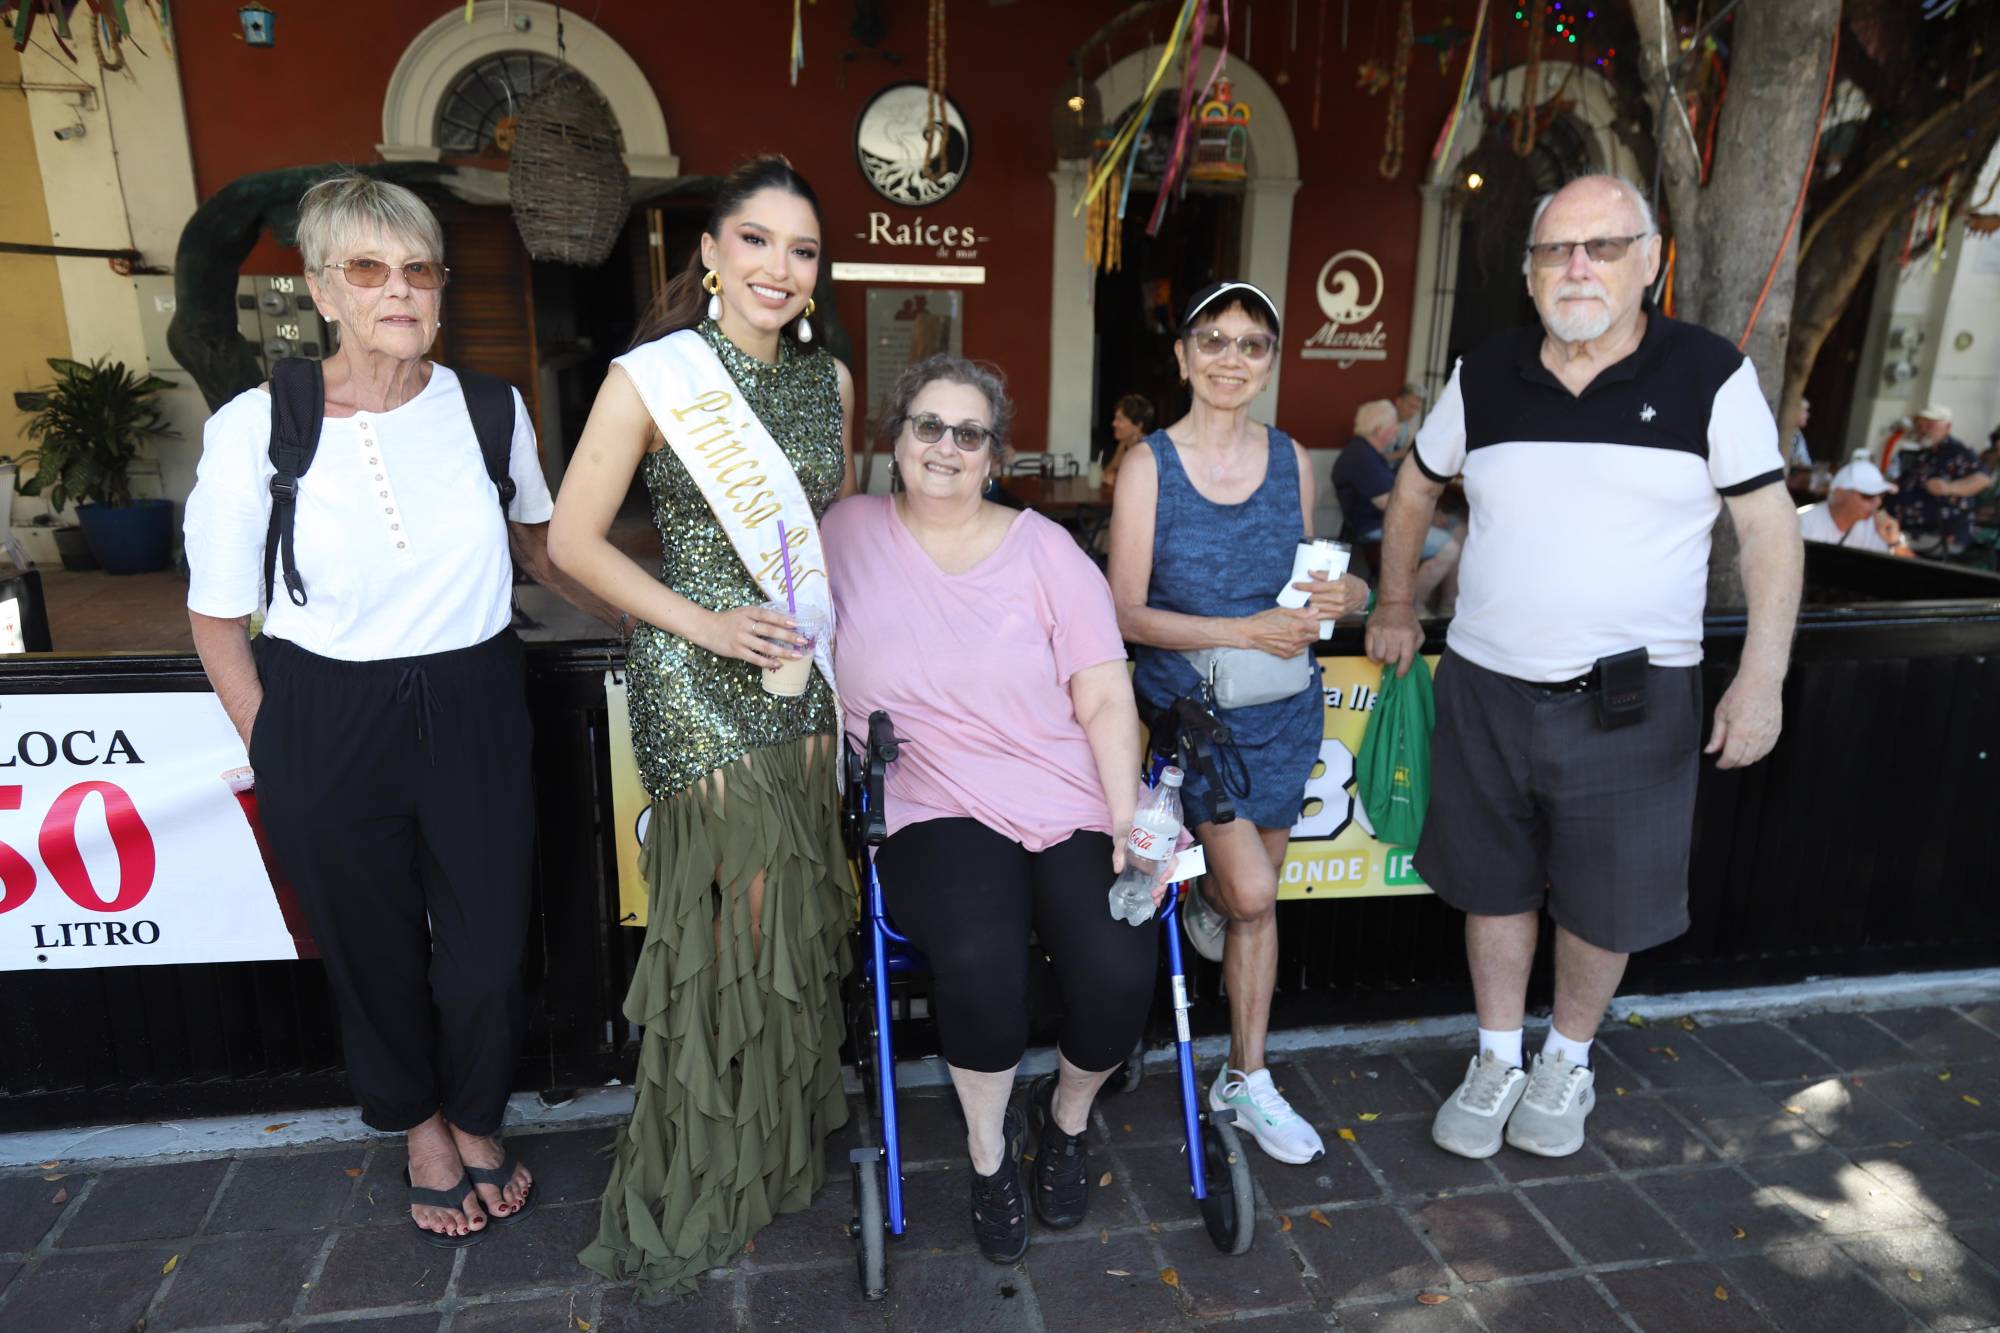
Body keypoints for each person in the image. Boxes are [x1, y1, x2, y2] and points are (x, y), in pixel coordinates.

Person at [184, 174, 611, 1246]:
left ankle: (476, 1108)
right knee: (369, 946)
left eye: (419, 269)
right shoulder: (256, 425)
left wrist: (676, 626)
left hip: (471, 696)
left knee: (483, 949)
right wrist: (271, 741)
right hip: (326, 709)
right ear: (323, 290)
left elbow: (542, 549)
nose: (399, 289)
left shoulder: (487, 407)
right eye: (369, 269)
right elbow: (219, 618)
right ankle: (420, 1125)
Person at [1366, 175, 1802, 1162]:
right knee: (1491, 885)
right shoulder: (1484, 370)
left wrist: (1761, 675)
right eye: (1554, 250)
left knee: (1605, 900)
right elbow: (1414, 483)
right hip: (1480, 684)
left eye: (1600, 247)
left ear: (1649, 261)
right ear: (1526, 275)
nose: (1575, 268)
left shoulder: (1708, 373)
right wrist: (1395, 598)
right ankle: (1493, 1054)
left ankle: (1563, 1057)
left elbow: (1767, 527)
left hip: (1630, 697)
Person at [548, 156, 857, 1297]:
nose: (780, 266)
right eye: (758, 242)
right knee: (727, 929)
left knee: (789, 922)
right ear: (713, 257)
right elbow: (571, 545)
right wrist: (705, 626)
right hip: (694, 670)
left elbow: (823, 538)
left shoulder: (826, 383)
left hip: (798, 679)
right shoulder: (652, 378)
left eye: (802, 248)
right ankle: (703, 1168)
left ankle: (767, 1152)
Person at [824, 355, 1162, 1264]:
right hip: (930, 797)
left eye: (967, 434)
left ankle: (1064, 1118)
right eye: (927, 426)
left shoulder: (1046, 550)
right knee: (978, 962)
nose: (945, 447)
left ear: (993, 454)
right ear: (895, 440)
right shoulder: (841, 532)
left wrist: (1129, 816)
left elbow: (1101, 696)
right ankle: (986, 1155)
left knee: (1118, 968)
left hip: (1063, 791)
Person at [1106, 280, 1369, 1166]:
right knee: (1253, 896)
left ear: (1268, 363)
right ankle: (1208, 902)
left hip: (1288, 709)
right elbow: (1127, 613)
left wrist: (1353, 593)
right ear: (1182, 357)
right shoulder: (1149, 466)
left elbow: (1314, 590)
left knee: (1251, 904)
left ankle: (1245, 1076)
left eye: (1252, 344)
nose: (1231, 357)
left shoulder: (1293, 457)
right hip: (1197, 720)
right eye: (1213, 339)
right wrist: (1238, 628)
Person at [1333, 398, 1461, 605]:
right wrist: (1429, 518)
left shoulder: (1368, 452)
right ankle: (1410, 608)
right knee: (1450, 549)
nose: (1397, 430)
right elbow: (1388, 504)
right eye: (1393, 426)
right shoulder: (1361, 457)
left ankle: (1447, 605)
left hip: (1381, 522)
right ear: (1379, 429)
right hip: (1375, 526)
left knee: (1459, 530)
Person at [1886, 405, 1991, 556]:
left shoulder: (1957, 451)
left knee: (1879, 542)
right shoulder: (1925, 454)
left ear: (1948, 427)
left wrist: (1949, 487)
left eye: (1930, 424)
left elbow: (1983, 479)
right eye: (1920, 424)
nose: (1924, 429)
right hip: (1906, 527)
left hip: (1938, 535)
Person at [1798, 460, 1910, 556]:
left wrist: (1895, 542)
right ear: (1839, 494)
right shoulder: (1802, 522)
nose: (1878, 502)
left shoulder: (1879, 527)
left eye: (1881, 495)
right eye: (1868, 495)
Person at [1101, 392, 1156, 490]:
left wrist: (1116, 479)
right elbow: (1106, 474)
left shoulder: (1147, 451)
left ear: (1138, 426)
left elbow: (1142, 487)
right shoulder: (1124, 444)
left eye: (1120, 420)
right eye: (1115, 418)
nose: (1113, 423)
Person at [1388, 382, 1426, 461]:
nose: (1413, 412)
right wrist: (1402, 453)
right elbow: (1371, 457)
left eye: (1417, 408)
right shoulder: (1381, 421)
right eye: (1411, 406)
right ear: (1399, 402)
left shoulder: (1407, 427)